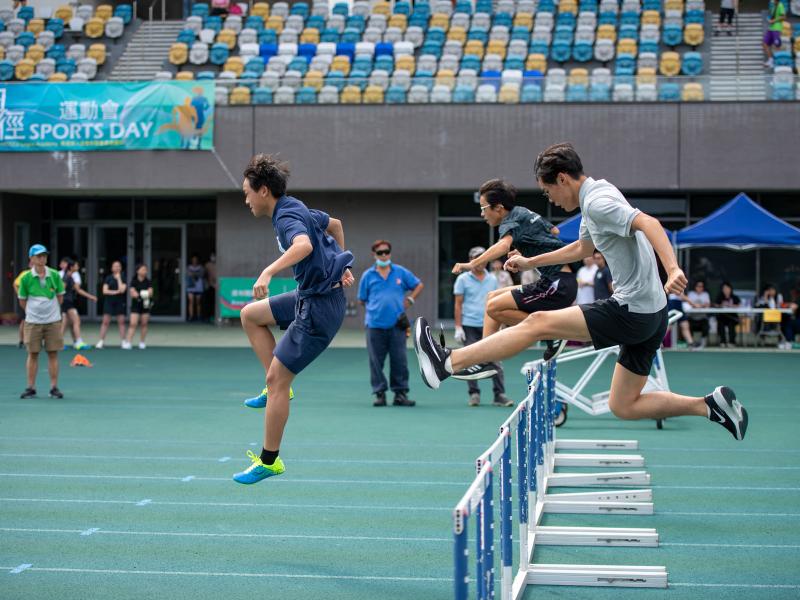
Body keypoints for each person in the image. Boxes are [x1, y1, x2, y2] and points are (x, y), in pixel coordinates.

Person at [413, 142, 748, 442]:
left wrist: (673, 268)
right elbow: (582, 248)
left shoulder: (599, 203)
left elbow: (649, 223)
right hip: (653, 314)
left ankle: (447, 362)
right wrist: (532, 260)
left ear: (562, 179)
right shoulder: (596, 196)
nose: (551, 201)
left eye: (547, 192)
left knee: (538, 322)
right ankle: (711, 407)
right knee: (624, 404)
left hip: (632, 309)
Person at [235, 154, 354, 484]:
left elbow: (302, 245)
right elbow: (336, 225)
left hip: (319, 308)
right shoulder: (292, 206)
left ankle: (270, 460)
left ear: (262, 191)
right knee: (250, 315)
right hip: (310, 295)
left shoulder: (287, 217)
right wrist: (342, 265)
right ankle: (276, 386)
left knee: (278, 380)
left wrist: (268, 271)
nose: (245, 199)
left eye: (246, 192)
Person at [451, 178, 577, 375]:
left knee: (495, 307)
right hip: (555, 281)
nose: (482, 213)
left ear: (499, 208)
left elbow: (502, 247)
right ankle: (486, 357)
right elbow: (554, 231)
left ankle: (550, 333)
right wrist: (525, 253)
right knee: (491, 298)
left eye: (484, 208)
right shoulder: (524, 212)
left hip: (557, 285)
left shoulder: (509, 221)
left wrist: (472, 264)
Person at [358, 239, 423, 407]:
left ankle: (400, 393)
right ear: (374, 255)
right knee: (375, 361)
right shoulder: (368, 275)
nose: (384, 255)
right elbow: (362, 299)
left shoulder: (400, 272)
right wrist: (375, 309)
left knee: (399, 360)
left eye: (387, 251)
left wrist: (410, 299)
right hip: (374, 325)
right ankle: (380, 393)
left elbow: (418, 285)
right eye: (380, 253)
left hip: (397, 325)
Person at [453, 246, 511, 407]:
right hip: (469, 325)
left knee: (495, 360)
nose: (481, 262)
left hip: (489, 324)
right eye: (477, 258)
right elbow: (458, 305)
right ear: (471, 260)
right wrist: (458, 327)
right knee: (471, 360)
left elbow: (495, 302)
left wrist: (500, 324)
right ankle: (474, 394)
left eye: (484, 258)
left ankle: (499, 395)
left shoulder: (492, 279)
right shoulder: (462, 279)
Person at [17, 244, 65, 399]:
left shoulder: (55, 275)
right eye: (38, 256)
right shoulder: (25, 278)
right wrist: (34, 313)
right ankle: (30, 387)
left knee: (53, 353)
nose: (42, 258)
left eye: (44, 255)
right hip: (32, 322)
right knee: (32, 353)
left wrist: (50, 313)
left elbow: (60, 297)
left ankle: (54, 387)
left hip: (53, 321)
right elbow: (22, 301)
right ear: (31, 258)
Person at [60, 258, 97, 350]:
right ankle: (79, 343)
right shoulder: (67, 277)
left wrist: (91, 297)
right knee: (77, 321)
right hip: (67, 302)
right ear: (71, 267)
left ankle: (58, 343)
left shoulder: (70, 276)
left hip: (66, 302)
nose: (78, 267)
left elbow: (78, 290)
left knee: (65, 323)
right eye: (76, 265)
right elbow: (61, 289)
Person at [96, 260, 127, 349]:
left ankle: (123, 341)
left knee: (121, 322)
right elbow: (104, 291)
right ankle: (101, 341)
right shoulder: (108, 278)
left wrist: (118, 279)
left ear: (121, 268)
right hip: (109, 302)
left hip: (119, 302)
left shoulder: (123, 278)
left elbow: (122, 290)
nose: (117, 268)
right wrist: (115, 292)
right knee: (105, 322)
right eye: (115, 266)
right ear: (112, 268)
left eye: (118, 266)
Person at [124, 264, 154, 350]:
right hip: (136, 305)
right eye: (143, 269)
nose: (145, 271)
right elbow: (133, 293)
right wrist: (144, 294)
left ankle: (142, 342)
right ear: (138, 271)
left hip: (145, 305)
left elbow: (151, 293)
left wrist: (141, 294)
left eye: (146, 269)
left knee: (144, 324)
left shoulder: (148, 281)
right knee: (133, 324)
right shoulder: (134, 281)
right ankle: (128, 342)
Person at [685, 280, 711, 349]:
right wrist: (695, 305)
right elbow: (688, 304)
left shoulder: (706, 294)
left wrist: (700, 305)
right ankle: (691, 343)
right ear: (695, 287)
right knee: (686, 324)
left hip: (702, 317)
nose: (700, 288)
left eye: (701, 286)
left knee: (706, 325)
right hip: (692, 317)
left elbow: (707, 304)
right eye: (698, 286)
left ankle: (703, 343)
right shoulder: (691, 294)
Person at [714, 281, 741, 347]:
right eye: (724, 289)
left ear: (730, 289)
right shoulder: (720, 297)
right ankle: (722, 341)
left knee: (731, 324)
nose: (726, 290)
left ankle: (732, 342)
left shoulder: (734, 297)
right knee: (720, 324)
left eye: (727, 288)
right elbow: (715, 305)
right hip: (722, 317)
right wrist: (721, 305)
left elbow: (739, 305)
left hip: (732, 317)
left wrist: (732, 305)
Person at [13, 259, 32, 349]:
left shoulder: (42, 274)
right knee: (25, 320)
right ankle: (22, 340)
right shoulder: (25, 274)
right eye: (31, 262)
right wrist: (20, 295)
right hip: (27, 301)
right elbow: (15, 284)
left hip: (37, 302)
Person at [763, 0, 785, 67]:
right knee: (765, 44)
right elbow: (773, 16)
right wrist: (770, 20)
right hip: (771, 28)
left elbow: (783, 17)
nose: (772, 2)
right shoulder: (773, 6)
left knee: (777, 45)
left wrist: (773, 20)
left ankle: (779, 61)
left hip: (777, 28)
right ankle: (770, 60)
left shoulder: (780, 5)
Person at [186, 254, 205, 322]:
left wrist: (193, 274)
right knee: (191, 301)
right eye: (193, 260)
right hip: (190, 287)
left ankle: (198, 316)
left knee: (198, 302)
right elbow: (188, 274)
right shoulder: (188, 267)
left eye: (196, 260)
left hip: (199, 287)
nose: (194, 261)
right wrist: (195, 274)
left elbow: (201, 274)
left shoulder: (201, 267)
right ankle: (191, 316)